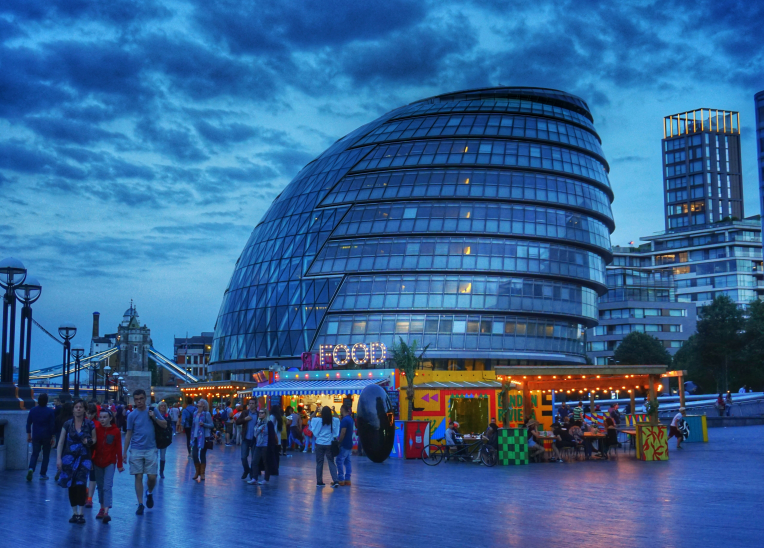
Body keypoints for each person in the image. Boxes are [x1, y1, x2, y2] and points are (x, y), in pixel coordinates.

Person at [123, 389, 167, 515]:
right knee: (139, 475)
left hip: (151, 449)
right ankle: (140, 503)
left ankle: (149, 492)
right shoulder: (131, 415)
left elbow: (164, 424)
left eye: (141, 399)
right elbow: (128, 434)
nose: (139, 401)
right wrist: (124, 452)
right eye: (136, 399)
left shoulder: (153, 410)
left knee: (152, 477)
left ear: (145, 399)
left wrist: (154, 418)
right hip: (136, 449)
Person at [56, 399, 96, 524]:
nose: (78, 409)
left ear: (84, 409)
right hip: (68, 458)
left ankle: (81, 512)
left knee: (81, 484)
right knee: (71, 485)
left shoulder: (89, 424)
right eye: (76, 407)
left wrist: (89, 442)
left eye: (81, 407)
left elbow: (95, 439)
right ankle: (74, 512)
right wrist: (58, 458)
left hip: (84, 458)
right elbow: (61, 442)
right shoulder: (67, 424)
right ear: (73, 409)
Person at [92, 408, 123, 524]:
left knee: (107, 485)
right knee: (100, 486)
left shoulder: (115, 431)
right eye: (101, 417)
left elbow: (118, 448)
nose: (102, 419)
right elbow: (93, 446)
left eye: (105, 417)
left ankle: (106, 511)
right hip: (97, 461)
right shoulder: (96, 430)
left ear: (110, 418)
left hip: (110, 461)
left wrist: (119, 464)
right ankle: (101, 507)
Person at [26, 393, 56, 481]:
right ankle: (42, 474)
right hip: (47, 436)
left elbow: (28, 423)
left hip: (36, 435)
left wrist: (29, 435)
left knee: (35, 453)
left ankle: (31, 469)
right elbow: (52, 425)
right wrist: (53, 436)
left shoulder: (33, 410)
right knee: (46, 455)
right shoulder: (50, 411)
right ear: (47, 401)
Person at [311, 406, 340, 488]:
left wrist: (316, 410)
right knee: (331, 462)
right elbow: (338, 418)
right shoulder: (333, 421)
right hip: (329, 444)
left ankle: (319, 482)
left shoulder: (319, 420)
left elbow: (311, 418)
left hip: (319, 444)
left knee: (319, 463)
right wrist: (334, 411)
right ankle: (335, 480)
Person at [191, 399, 213, 482]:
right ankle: (197, 471)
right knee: (194, 454)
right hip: (195, 436)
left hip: (203, 437)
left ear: (203, 405)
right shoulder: (195, 413)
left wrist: (204, 424)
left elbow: (211, 425)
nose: (198, 402)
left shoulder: (206, 414)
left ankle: (202, 473)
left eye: (200, 401)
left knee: (202, 455)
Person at [247, 408, 271, 485]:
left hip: (266, 445)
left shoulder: (269, 423)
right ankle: (254, 478)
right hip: (258, 444)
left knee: (266, 462)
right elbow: (255, 434)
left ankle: (266, 479)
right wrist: (251, 444)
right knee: (254, 461)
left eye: (262, 413)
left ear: (266, 414)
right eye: (259, 413)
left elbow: (272, 435)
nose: (260, 414)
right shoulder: (257, 422)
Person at [237, 399, 257, 479]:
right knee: (243, 457)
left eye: (253, 403)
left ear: (255, 404)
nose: (251, 405)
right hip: (246, 438)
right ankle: (246, 469)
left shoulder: (258, 414)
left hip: (254, 439)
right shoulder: (245, 413)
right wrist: (245, 419)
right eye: (250, 403)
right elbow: (237, 422)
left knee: (254, 458)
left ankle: (252, 474)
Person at [85, 402, 99, 508]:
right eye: (88, 413)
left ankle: (89, 497)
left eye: (92, 413)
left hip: (93, 454)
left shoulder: (96, 425)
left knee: (92, 476)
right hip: (84, 453)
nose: (90, 415)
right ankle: (87, 493)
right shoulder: (84, 423)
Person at [336, 404, 354, 486]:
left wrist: (339, 442)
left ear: (343, 409)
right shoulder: (350, 419)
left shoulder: (344, 420)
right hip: (349, 443)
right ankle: (347, 479)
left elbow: (343, 432)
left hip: (344, 443)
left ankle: (341, 479)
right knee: (347, 461)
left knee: (339, 460)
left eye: (340, 409)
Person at [156, 401, 171, 478]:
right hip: (156, 437)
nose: (163, 407)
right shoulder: (155, 415)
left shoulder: (167, 416)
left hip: (164, 437)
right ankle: (153, 471)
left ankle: (161, 472)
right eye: (161, 406)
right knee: (154, 455)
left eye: (164, 406)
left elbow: (168, 425)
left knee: (162, 456)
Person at [267, 405, 281, 476]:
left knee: (272, 455)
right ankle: (276, 469)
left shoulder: (272, 417)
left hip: (274, 438)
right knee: (276, 455)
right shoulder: (279, 418)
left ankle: (273, 469)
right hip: (279, 438)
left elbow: (271, 428)